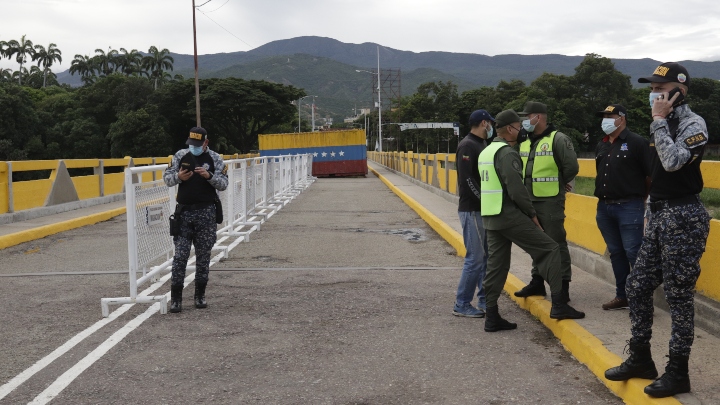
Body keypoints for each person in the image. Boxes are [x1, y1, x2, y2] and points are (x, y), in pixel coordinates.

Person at [605, 62, 711, 398]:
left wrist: (660, 123)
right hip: (661, 214)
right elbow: (656, 178)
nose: (653, 95)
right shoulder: (659, 123)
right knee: (637, 286)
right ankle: (640, 358)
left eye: (659, 89)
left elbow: (673, 162)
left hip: (684, 216)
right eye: (651, 90)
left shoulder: (694, 124)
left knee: (679, 297)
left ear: (680, 90)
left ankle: (678, 371)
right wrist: (650, 214)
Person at [479, 110, 585, 333]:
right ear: (510, 129)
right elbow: (516, 189)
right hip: (508, 215)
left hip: (490, 215)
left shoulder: (487, 151)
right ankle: (558, 304)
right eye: (518, 126)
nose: (521, 130)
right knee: (550, 248)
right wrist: (531, 214)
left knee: (496, 265)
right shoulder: (507, 153)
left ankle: (492, 314)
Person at [513, 102, 579, 304]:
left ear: (538, 117)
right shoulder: (524, 140)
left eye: (527, 116)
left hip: (549, 201)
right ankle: (537, 282)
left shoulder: (558, 139)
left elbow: (571, 167)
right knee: (536, 243)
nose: (524, 121)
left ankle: (563, 286)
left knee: (556, 243)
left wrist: (559, 184)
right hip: (529, 202)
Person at [163, 127, 228, 313]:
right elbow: (167, 178)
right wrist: (178, 177)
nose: (194, 148)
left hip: (206, 214)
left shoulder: (215, 159)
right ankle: (176, 298)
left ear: (206, 143)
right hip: (184, 214)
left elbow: (224, 184)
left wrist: (209, 177)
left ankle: (200, 295)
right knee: (180, 257)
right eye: (192, 144)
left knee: (203, 256)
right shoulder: (180, 155)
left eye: (198, 145)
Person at [594, 104, 651, 311]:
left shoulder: (637, 142)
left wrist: (641, 198)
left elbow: (649, 175)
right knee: (616, 253)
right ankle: (622, 295)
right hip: (604, 208)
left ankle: (642, 301)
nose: (606, 119)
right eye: (604, 116)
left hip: (629, 206)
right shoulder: (601, 145)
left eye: (611, 116)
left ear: (622, 118)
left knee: (634, 253)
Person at [452, 109, 494, 318]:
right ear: (484, 123)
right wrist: (483, 201)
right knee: (475, 259)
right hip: (472, 210)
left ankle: (485, 301)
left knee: (485, 258)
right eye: (490, 123)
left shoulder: (481, 144)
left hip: (483, 210)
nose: (491, 127)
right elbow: (468, 181)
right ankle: (462, 303)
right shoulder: (468, 145)